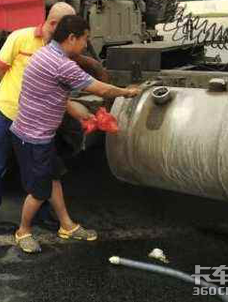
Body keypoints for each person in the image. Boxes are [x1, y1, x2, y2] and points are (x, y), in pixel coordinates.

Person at [11, 14, 139, 253]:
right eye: (84, 40)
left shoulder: (45, 53)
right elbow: (101, 89)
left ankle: (66, 225)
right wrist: (127, 92)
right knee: (39, 191)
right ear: (71, 38)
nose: (84, 45)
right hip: (34, 138)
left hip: (35, 133)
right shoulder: (61, 64)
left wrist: (82, 115)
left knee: (54, 178)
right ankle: (23, 231)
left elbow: (57, 96)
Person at [0, 2, 107, 232]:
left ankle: (42, 216)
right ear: (54, 23)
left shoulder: (63, 47)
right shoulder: (20, 37)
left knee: (42, 168)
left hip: (39, 120)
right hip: (9, 112)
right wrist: (15, 95)